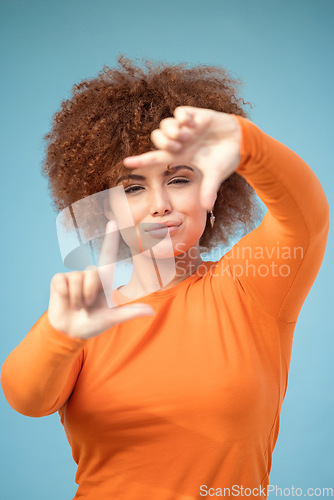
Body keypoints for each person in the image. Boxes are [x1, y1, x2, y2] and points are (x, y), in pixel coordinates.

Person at [1, 57, 329, 500]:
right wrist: (59, 336)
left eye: (179, 179)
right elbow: (26, 400)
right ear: (104, 208)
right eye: (133, 188)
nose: (159, 205)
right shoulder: (86, 319)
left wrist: (247, 144)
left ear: (213, 191)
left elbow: (306, 220)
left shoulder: (250, 290)